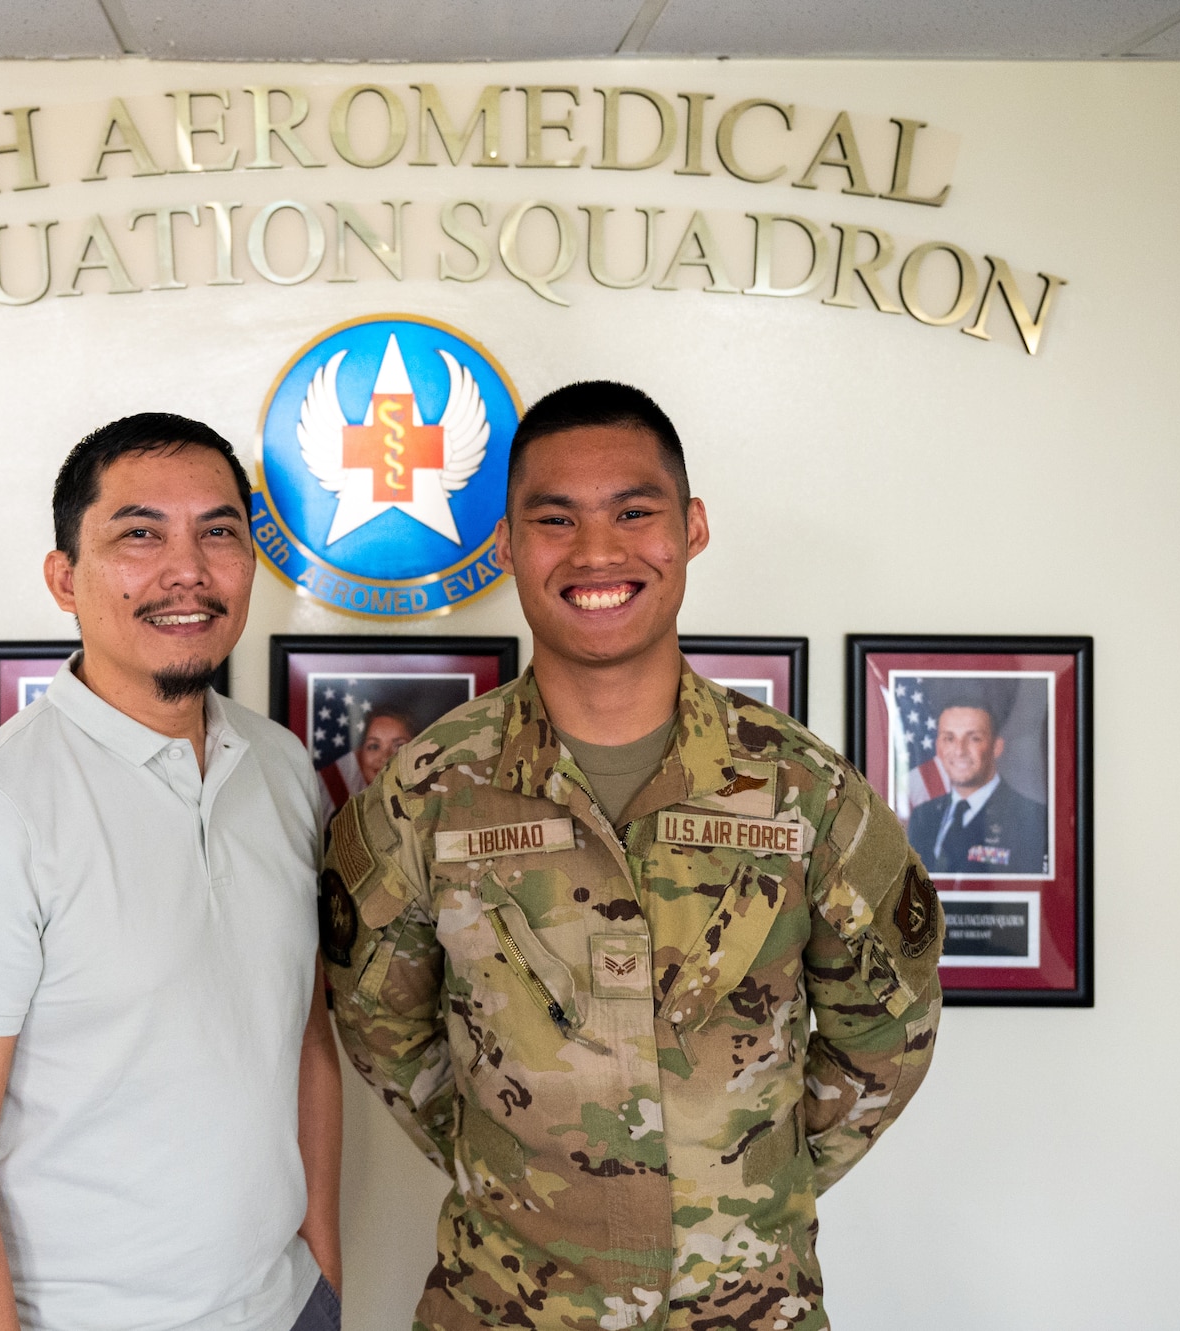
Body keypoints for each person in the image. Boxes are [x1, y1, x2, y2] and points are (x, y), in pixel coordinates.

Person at [320, 381, 943, 1331]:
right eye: (555, 518)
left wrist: (744, 1190)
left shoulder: (802, 790)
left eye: (634, 511)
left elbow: (886, 1035)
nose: (598, 551)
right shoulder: (426, 793)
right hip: (504, 1308)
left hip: (750, 1311)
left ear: (690, 527)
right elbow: (383, 1033)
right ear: (507, 545)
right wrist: (527, 1180)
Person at [0, 414, 344, 1331]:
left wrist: (323, 1271)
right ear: (64, 579)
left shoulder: (284, 771)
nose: (188, 570)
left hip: (286, 1308)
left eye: (220, 532)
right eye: (139, 534)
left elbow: (305, 1039)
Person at [907, 699, 1049, 875]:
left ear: (996, 747)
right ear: (938, 747)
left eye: (974, 738)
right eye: (949, 738)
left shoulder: (1032, 819)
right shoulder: (922, 817)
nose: (959, 751)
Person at [315, 705, 415, 824]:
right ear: (361, 754)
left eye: (398, 746)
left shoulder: (433, 816)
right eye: (374, 746)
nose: (385, 757)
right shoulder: (342, 821)